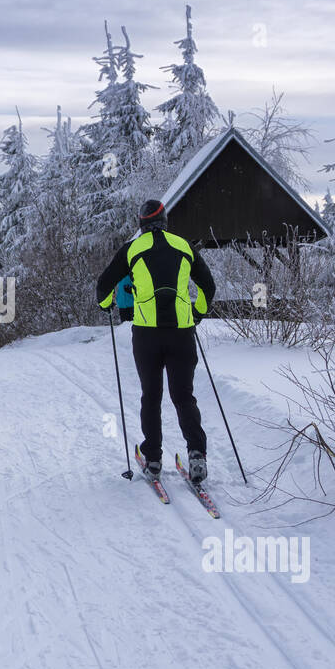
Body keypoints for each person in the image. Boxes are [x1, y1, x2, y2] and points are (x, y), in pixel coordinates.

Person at [95, 199, 216, 483]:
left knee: (151, 396)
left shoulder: (132, 249)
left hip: (147, 335)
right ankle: (197, 453)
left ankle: (153, 460)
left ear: (141, 223)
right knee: (184, 396)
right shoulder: (184, 246)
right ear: (165, 220)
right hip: (181, 332)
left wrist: (105, 304)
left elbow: (103, 284)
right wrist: (197, 313)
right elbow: (208, 286)